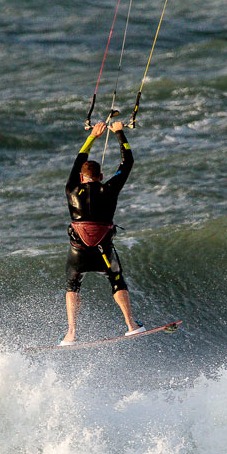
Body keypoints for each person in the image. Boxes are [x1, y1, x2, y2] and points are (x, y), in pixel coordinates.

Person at [60, 119, 140, 345]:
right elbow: (128, 162)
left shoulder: (71, 189)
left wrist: (93, 137)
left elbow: (78, 161)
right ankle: (131, 325)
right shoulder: (110, 188)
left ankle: (71, 333)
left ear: (81, 178)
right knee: (116, 281)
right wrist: (119, 132)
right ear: (101, 176)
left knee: (72, 285)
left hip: (78, 251)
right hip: (104, 250)